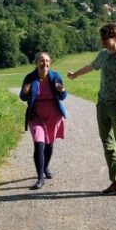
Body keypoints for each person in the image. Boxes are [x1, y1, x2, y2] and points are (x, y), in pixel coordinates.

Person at [67, 23, 116, 197]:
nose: (101, 41)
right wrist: (75, 75)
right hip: (102, 106)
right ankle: (115, 182)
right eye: (101, 38)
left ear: (115, 37)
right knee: (108, 145)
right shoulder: (102, 55)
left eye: (104, 38)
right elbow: (90, 66)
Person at [19, 52, 68, 190]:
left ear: (49, 63)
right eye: (41, 60)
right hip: (36, 117)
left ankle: (45, 167)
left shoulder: (55, 76)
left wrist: (62, 89)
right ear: (36, 63)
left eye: (47, 61)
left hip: (53, 116)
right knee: (39, 143)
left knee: (49, 144)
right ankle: (40, 178)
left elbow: (63, 96)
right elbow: (23, 97)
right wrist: (25, 91)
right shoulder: (30, 78)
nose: (44, 63)